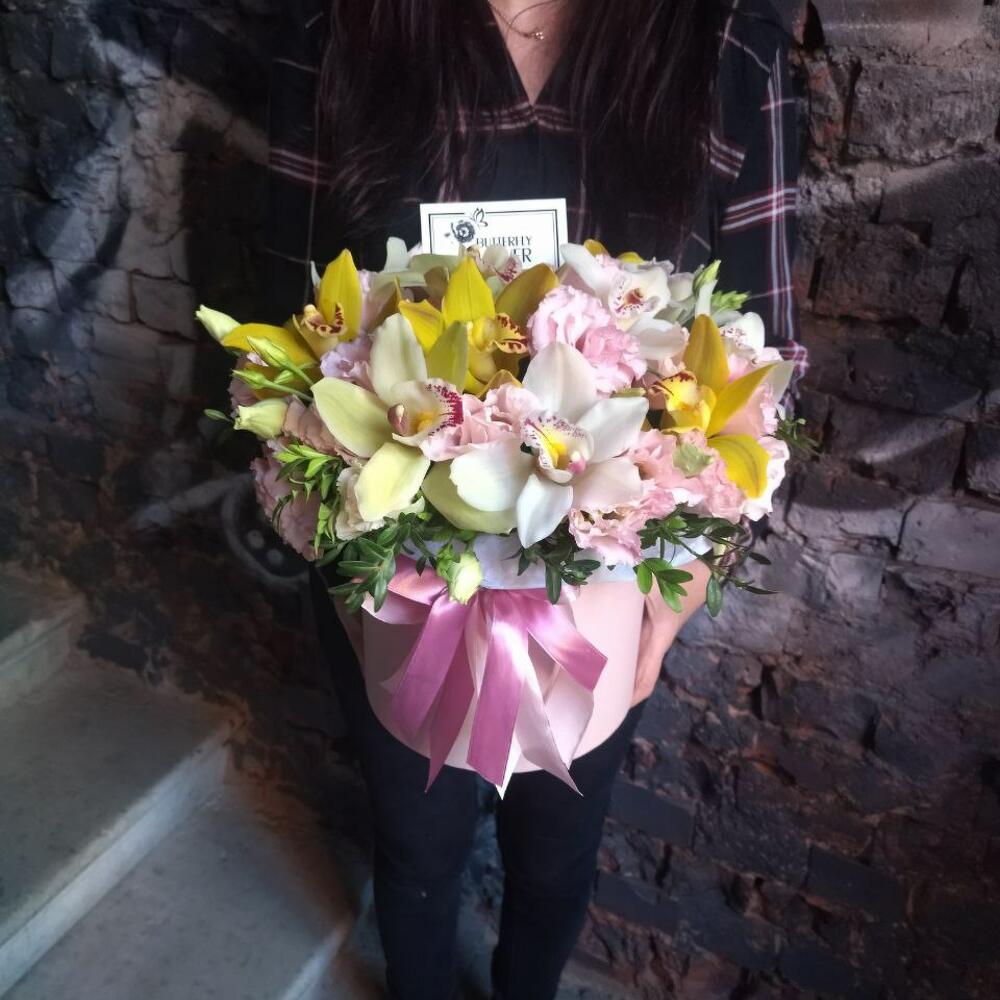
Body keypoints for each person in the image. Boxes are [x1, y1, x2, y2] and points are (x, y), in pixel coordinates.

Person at [265, 2, 808, 998]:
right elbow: (287, 340)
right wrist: (337, 556)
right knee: (416, 845)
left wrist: (680, 591)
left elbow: (765, 372)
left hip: (603, 592)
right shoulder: (340, 31)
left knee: (557, 850)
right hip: (390, 582)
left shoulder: (727, 48)